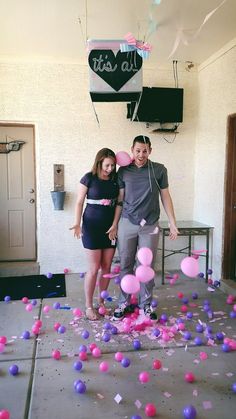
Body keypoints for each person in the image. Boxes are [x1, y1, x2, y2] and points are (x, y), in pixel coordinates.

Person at [112, 135, 179, 321]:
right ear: (132, 150)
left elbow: (166, 196)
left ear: (150, 150)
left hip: (150, 224)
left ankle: (146, 305)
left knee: (146, 266)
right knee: (125, 263)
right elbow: (120, 199)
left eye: (145, 150)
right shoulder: (123, 171)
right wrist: (115, 224)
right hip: (127, 222)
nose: (141, 154)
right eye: (138, 150)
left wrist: (173, 222)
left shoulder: (159, 170)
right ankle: (123, 302)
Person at [70, 148, 121, 320]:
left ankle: (101, 303)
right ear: (99, 162)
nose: (110, 169)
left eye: (113, 165)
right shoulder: (88, 178)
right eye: (107, 165)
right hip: (91, 228)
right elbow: (79, 202)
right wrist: (77, 223)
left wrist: (115, 225)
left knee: (106, 267)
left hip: (110, 229)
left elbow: (118, 204)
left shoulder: (115, 180)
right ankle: (88, 306)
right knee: (93, 269)